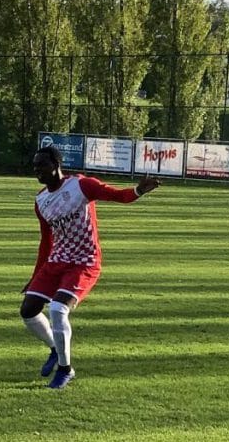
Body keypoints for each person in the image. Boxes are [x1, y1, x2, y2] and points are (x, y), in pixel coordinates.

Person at [20, 146, 160, 389]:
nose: (37, 170)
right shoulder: (41, 201)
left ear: (56, 164)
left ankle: (65, 369)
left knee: (57, 309)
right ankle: (55, 349)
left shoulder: (81, 185)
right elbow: (46, 241)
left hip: (84, 261)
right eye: (35, 166)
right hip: (57, 261)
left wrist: (138, 191)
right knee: (28, 310)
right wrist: (35, 276)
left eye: (42, 165)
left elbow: (117, 195)